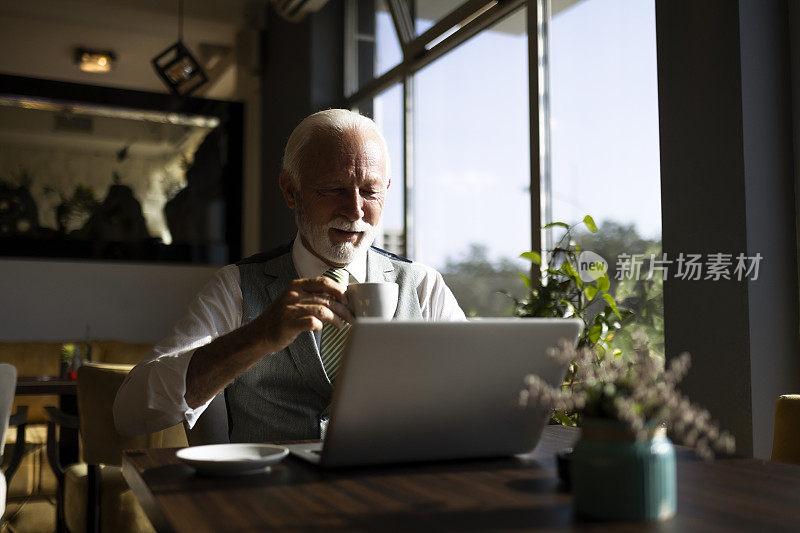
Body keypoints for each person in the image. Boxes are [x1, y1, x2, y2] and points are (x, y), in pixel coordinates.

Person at [113, 109, 465, 442]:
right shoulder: (235, 287)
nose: (355, 209)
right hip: (271, 500)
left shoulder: (422, 286)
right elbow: (130, 413)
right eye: (333, 189)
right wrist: (259, 335)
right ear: (290, 191)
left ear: (386, 190)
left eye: (370, 191)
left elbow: (477, 397)